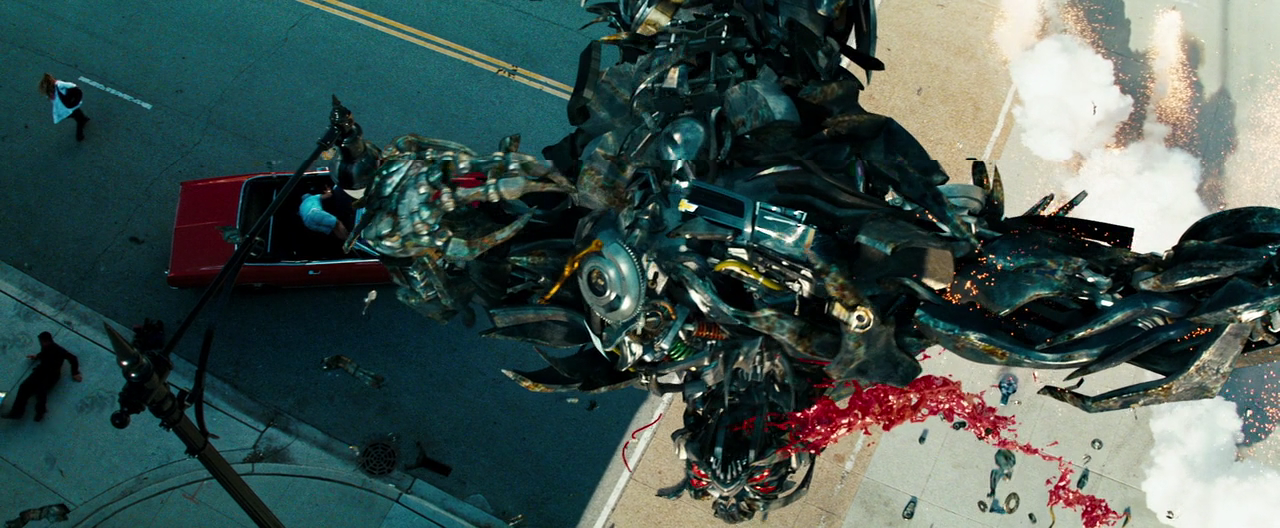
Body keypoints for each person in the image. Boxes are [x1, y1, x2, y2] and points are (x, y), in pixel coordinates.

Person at [3, 332, 82, 422]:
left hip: (51, 375)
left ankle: (40, 412)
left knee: (41, 392)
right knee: (24, 387)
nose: (41, 343)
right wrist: (36, 357)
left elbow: (73, 358)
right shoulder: (46, 347)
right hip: (41, 371)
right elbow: (44, 354)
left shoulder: (58, 350)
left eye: (41, 342)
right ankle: (17, 413)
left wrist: (75, 373)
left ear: (46, 341)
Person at [38, 73, 89, 141]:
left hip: (62, 110)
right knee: (79, 119)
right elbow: (72, 85)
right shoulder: (59, 84)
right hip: (69, 108)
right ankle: (79, 136)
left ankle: (84, 118)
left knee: (78, 113)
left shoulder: (49, 92)